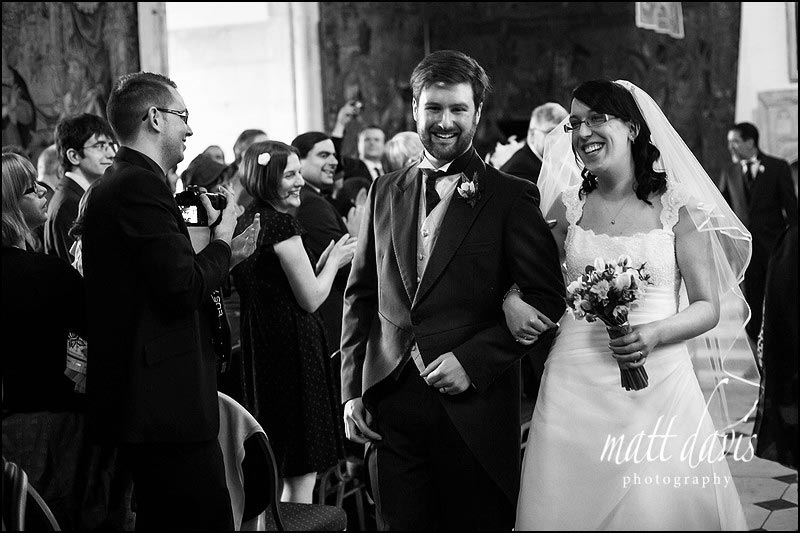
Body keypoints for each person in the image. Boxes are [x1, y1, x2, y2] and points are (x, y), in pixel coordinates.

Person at [508, 79, 759, 530]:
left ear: (633, 128)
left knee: (653, 506)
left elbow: (707, 306)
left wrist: (653, 333)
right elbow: (535, 282)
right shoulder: (569, 208)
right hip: (573, 381)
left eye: (597, 119)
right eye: (575, 123)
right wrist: (511, 298)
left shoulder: (678, 208)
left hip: (658, 382)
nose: (583, 132)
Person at [340, 49, 565, 530]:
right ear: (415, 109)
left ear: (477, 114)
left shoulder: (511, 196)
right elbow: (360, 297)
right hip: (391, 404)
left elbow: (547, 298)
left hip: (475, 409)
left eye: (458, 109)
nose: (445, 122)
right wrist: (352, 391)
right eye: (434, 108)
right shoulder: (385, 191)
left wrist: (475, 361)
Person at [81, 71, 256, 531]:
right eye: (183, 117)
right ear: (155, 119)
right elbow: (181, 289)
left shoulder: (126, 183)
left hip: (153, 401)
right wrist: (223, 243)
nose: (190, 130)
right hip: (163, 406)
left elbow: (163, 278)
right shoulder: (137, 186)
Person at [229, 140, 356, 503]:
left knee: (280, 458)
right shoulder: (282, 226)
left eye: (300, 172)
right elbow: (312, 298)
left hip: (265, 345)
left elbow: (273, 287)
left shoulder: (249, 218)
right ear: (268, 180)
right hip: (292, 351)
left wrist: (318, 268)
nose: (299, 181)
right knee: (302, 466)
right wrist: (334, 264)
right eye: (290, 175)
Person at [1, 153, 118, 530]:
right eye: (29, 188)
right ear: (8, 205)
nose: (42, 192)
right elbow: (87, 333)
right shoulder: (43, 272)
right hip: (51, 420)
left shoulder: (43, 267)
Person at [717, 122, 797, 342]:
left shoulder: (778, 167)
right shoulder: (729, 171)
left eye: (735, 142)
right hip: (745, 253)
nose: (731, 147)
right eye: (729, 143)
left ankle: (779, 354)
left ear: (750, 142)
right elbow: (722, 210)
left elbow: (792, 212)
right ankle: (758, 360)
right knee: (751, 304)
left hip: (775, 251)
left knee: (777, 301)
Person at [291, 131, 352, 354]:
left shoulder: (310, 198)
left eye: (334, 156)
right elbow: (345, 262)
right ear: (299, 161)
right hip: (329, 313)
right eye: (324, 155)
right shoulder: (312, 205)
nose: (334, 162)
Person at [45, 113, 116, 262]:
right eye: (100, 146)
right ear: (74, 156)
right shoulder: (69, 203)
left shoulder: (76, 195)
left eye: (111, 145)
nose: (111, 154)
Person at [500, 102, 568, 184]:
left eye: (562, 132)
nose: (558, 139)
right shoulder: (518, 172)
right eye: (551, 132)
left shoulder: (556, 163)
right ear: (532, 134)